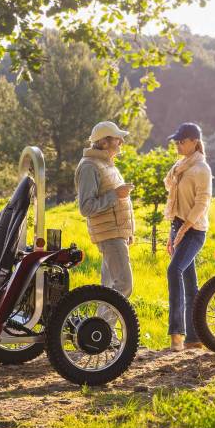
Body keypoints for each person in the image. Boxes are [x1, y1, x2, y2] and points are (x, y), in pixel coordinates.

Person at [163, 121, 212, 351]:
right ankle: (195, 337)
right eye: (176, 140)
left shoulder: (202, 169)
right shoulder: (179, 166)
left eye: (181, 141)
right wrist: (172, 234)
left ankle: (177, 334)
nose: (178, 144)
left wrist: (182, 232)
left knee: (174, 271)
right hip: (178, 226)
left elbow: (202, 203)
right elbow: (175, 205)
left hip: (194, 231)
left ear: (194, 141)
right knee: (191, 285)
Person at [75, 121, 135, 305]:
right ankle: (102, 330)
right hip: (109, 235)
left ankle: (102, 330)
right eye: (117, 139)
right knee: (124, 285)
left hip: (117, 233)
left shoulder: (106, 164)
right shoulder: (89, 167)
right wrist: (116, 194)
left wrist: (128, 232)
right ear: (104, 142)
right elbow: (86, 207)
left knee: (108, 287)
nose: (121, 142)